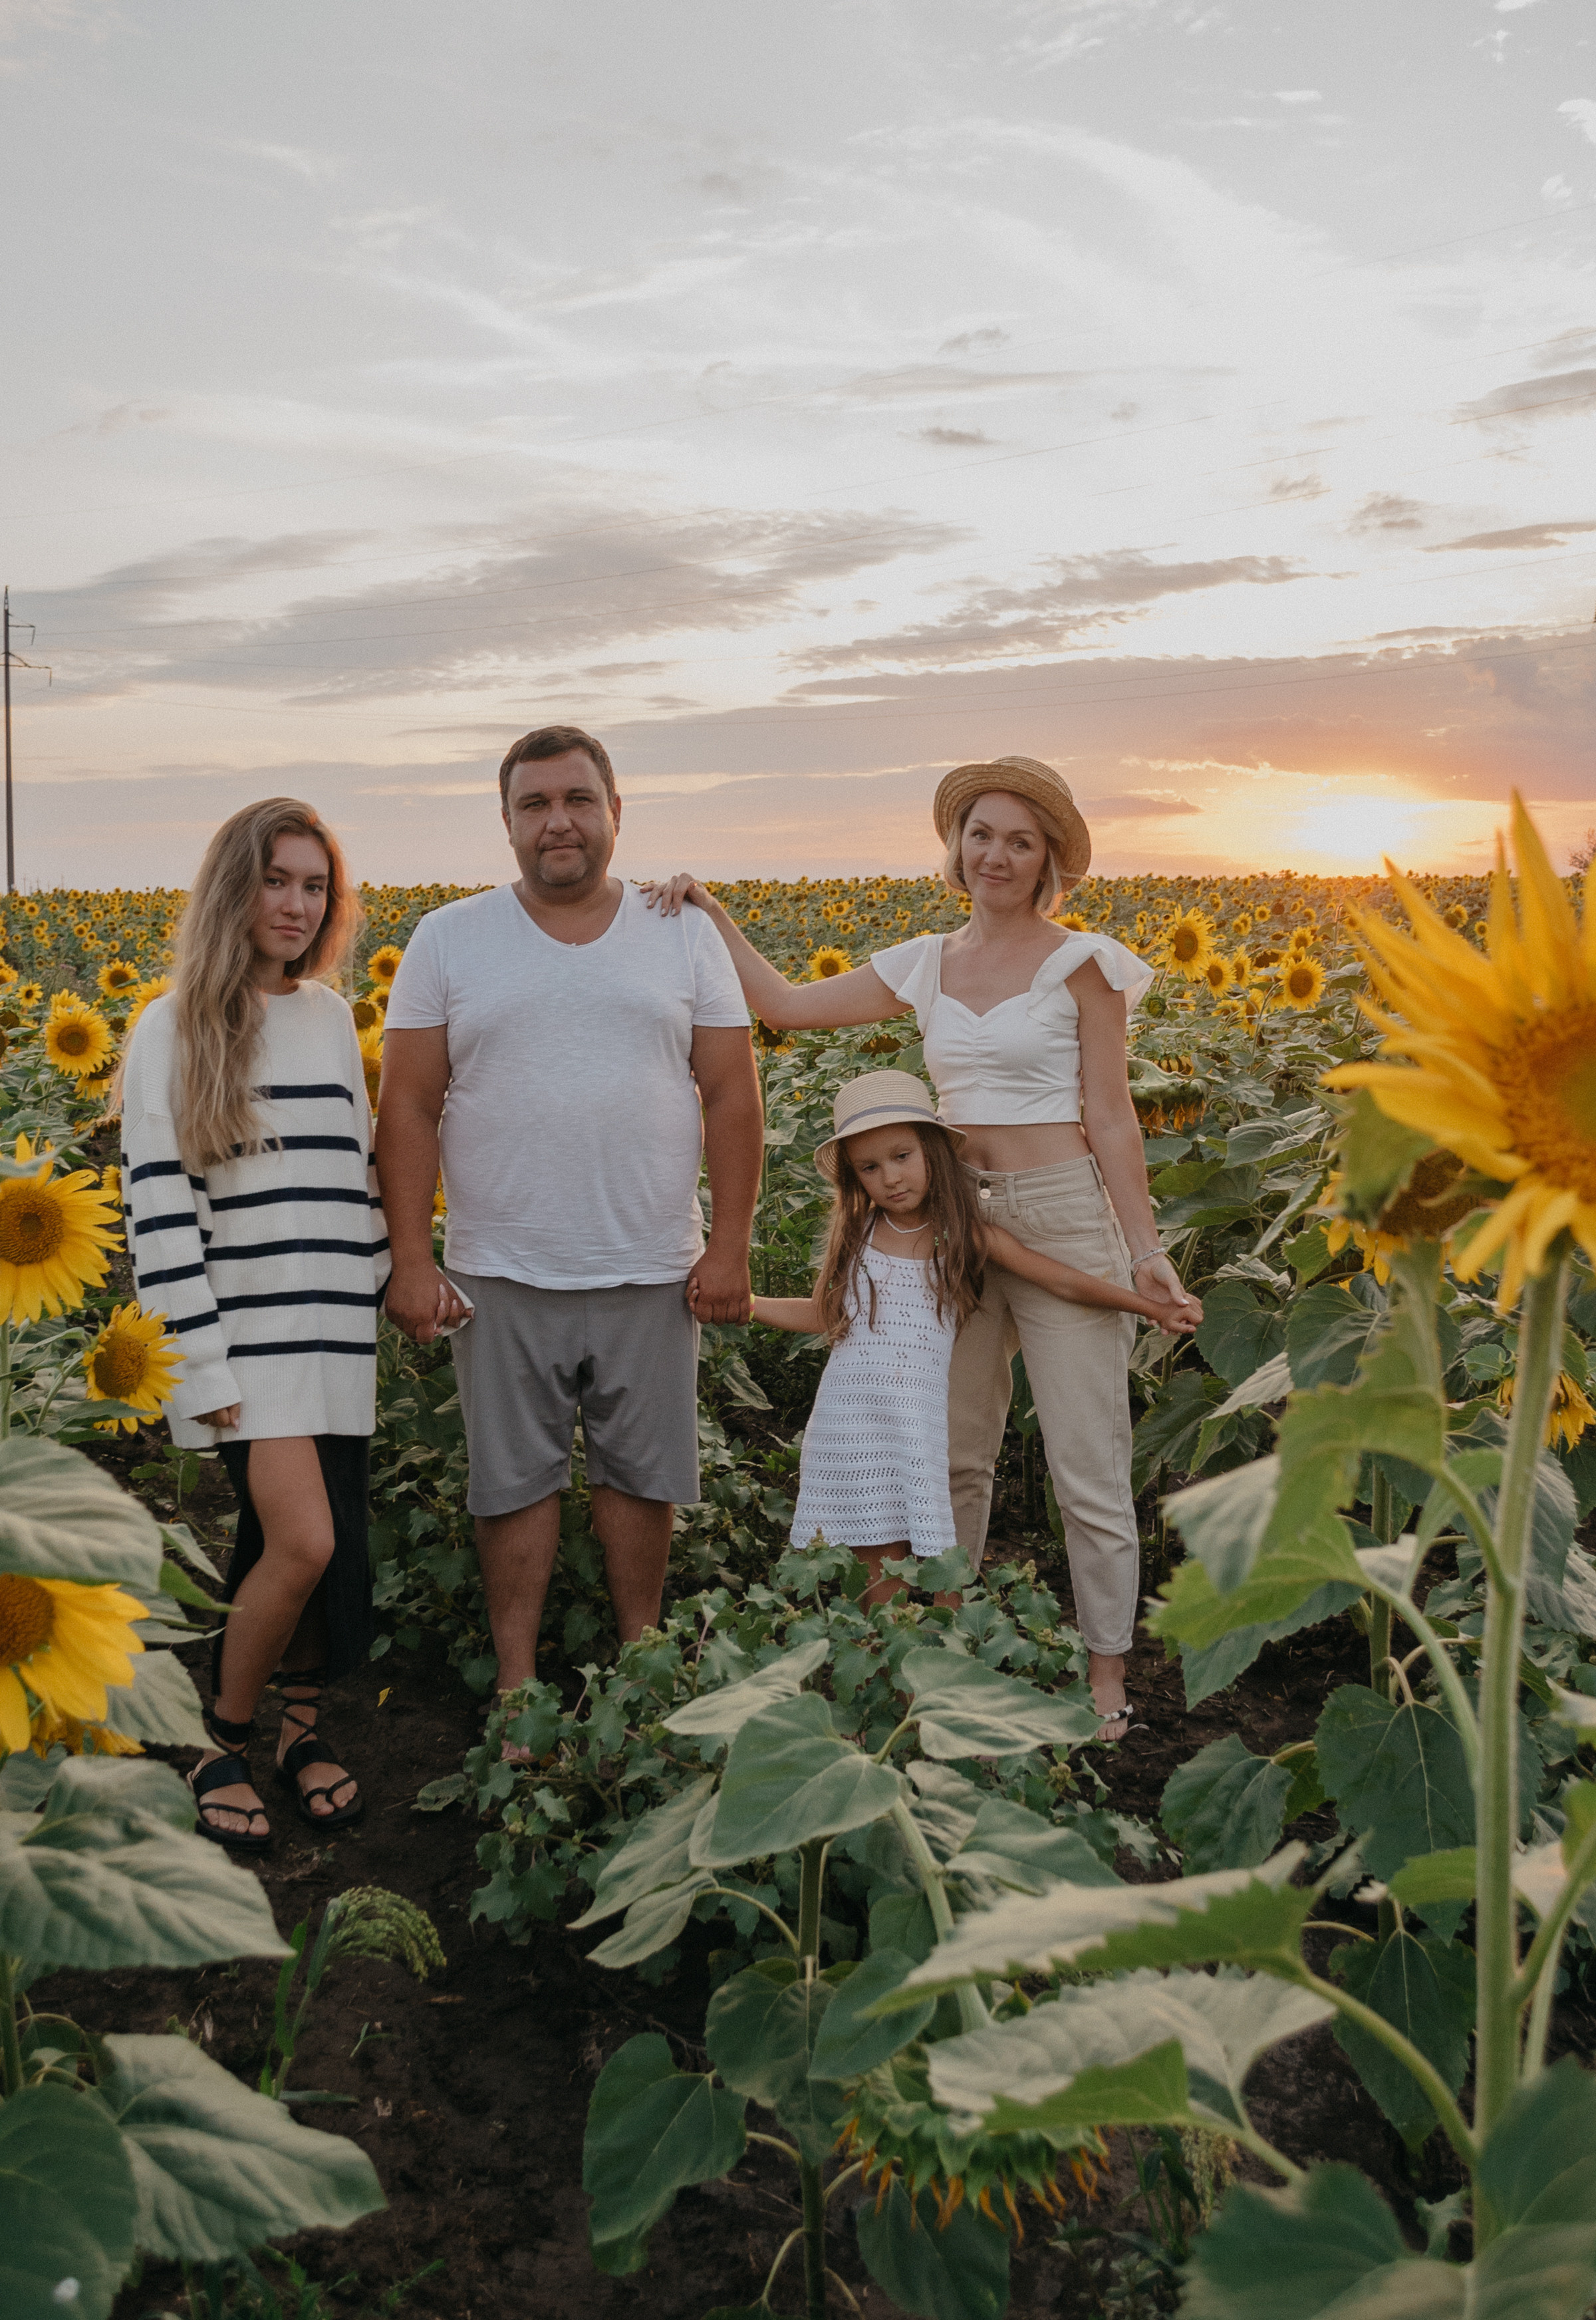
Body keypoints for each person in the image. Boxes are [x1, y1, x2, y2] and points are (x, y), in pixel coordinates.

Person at [643, 754, 1202, 1740]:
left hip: (1063, 1206)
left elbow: (1113, 1118)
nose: (996, 854)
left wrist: (1144, 1248)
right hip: (947, 1225)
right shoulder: (926, 962)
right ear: (957, 847)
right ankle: (948, 1653)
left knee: (1087, 1463)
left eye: (1019, 841)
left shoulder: (1085, 965)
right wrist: (711, 913)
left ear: (1048, 862)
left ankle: (1108, 1675)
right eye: (981, 834)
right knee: (953, 1453)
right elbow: (785, 1006)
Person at [376, 725, 763, 1709]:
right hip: (502, 1264)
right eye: (536, 804)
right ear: (506, 822)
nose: (560, 822)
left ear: (615, 813)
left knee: (643, 1480)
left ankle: (639, 1670)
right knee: (512, 1486)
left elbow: (731, 1092)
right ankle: (518, 1691)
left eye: (579, 800)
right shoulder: (450, 937)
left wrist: (730, 1246)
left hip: (649, 1262)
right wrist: (412, 1259)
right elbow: (408, 1105)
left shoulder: (680, 931)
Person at [118, 798, 417, 1847]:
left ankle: (297, 1727)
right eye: (275, 881)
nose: (295, 905)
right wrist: (195, 1364)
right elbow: (160, 1210)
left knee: (320, 1553)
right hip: (244, 1336)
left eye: (314, 885)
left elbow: (352, 1175)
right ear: (233, 891)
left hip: (335, 1326)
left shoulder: (332, 1017)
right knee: (303, 1540)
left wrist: (394, 1279)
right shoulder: (174, 1025)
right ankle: (218, 1738)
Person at [746, 1074, 1199, 1610]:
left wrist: (1149, 1306)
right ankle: (888, 1680)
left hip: (916, 1421)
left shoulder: (960, 1234)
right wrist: (747, 1304)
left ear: (933, 1151)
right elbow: (826, 1313)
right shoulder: (858, 1234)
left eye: (901, 1156)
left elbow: (1058, 1278)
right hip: (852, 1420)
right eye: (870, 1168)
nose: (890, 1178)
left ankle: (943, 1672)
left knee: (941, 1560)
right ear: (855, 1178)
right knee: (875, 1564)